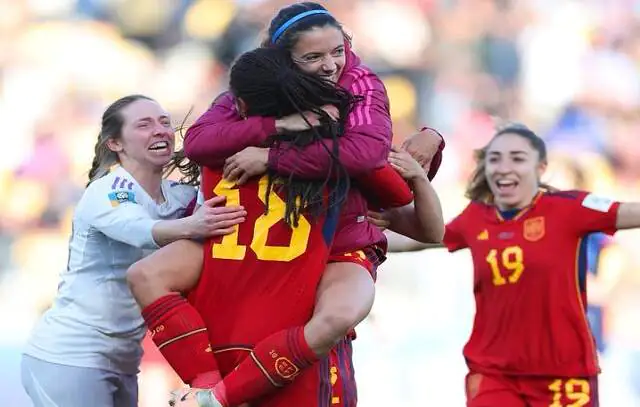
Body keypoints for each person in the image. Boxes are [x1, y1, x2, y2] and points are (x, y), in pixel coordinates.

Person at [127, 46, 444, 407]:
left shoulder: (219, 145)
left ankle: (206, 386)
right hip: (292, 335)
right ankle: (213, 395)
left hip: (223, 318)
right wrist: (426, 149)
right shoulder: (342, 154)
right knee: (334, 321)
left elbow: (198, 140)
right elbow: (409, 205)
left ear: (242, 106)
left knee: (145, 275)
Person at [183, 0, 444, 384]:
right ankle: (205, 385)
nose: (331, 65)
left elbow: (371, 160)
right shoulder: (259, 89)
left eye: (338, 51)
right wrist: (279, 125)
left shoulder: (359, 84)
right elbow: (198, 142)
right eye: (314, 56)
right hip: (264, 259)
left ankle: (216, 394)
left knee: (327, 333)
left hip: (332, 250)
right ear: (283, 61)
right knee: (150, 276)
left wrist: (272, 156)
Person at [383, 123, 640, 406]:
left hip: (563, 375)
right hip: (495, 373)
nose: (504, 167)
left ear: (540, 168)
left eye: (517, 158)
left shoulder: (570, 207)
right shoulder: (477, 216)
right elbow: (417, 240)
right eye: (495, 159)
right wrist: (355, 235)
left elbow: (630, 212)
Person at [20, 95, 247, 407]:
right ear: (116, 143)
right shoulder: (108, 190)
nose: (160, 130)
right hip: (71, 355)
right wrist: (194, 225)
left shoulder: (178, 197)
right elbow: (138, 230)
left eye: (165, 122)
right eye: (144, 125)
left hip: (124, 358)